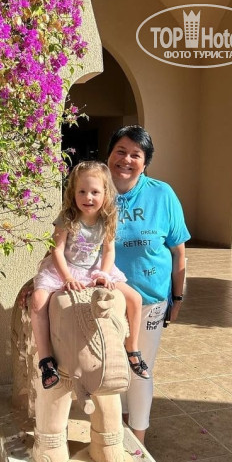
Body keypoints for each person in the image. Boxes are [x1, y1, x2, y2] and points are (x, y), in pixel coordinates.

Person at [31, 160, 148, 390]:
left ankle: (132, 347)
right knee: (37, 301)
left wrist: (103, 273)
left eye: (95, 192)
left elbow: (109, 250)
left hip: (95, 268)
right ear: (73, 192)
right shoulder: (67, 217)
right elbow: (57, 250)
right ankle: (45, 358)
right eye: (82, 191)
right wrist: (67, 278)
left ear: (105, 193)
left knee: (135, 298)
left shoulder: (108, 218)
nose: (88, 197)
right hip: (66, 268)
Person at [107, 125, 190, 445]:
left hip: (151, 300)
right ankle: (115, 427)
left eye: (135, 155)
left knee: (139, 367)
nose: (126, 160)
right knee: (111, 366)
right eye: (120, 151)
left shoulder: (162, 194)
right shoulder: (94, 189)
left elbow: (179, 252)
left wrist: (177, 298)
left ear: (145, 163)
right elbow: (68, 239)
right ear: (109, 154)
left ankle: (138, 440)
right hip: (107, 300)